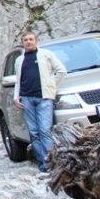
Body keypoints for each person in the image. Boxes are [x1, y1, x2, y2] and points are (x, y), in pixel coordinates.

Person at [14, 30, 67, 173]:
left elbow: (61, 71)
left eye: (31, 39)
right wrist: (16, 96)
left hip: (44, 97)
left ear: (36, 41)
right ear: (22, 43)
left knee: (44, 130)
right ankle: (44, 163)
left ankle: (51, 162)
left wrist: (51, 86)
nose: (28, 42)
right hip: (26, 98)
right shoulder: (19, 60)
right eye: (25, 40)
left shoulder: (46, 55)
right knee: (34, 132)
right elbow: (18, 81)